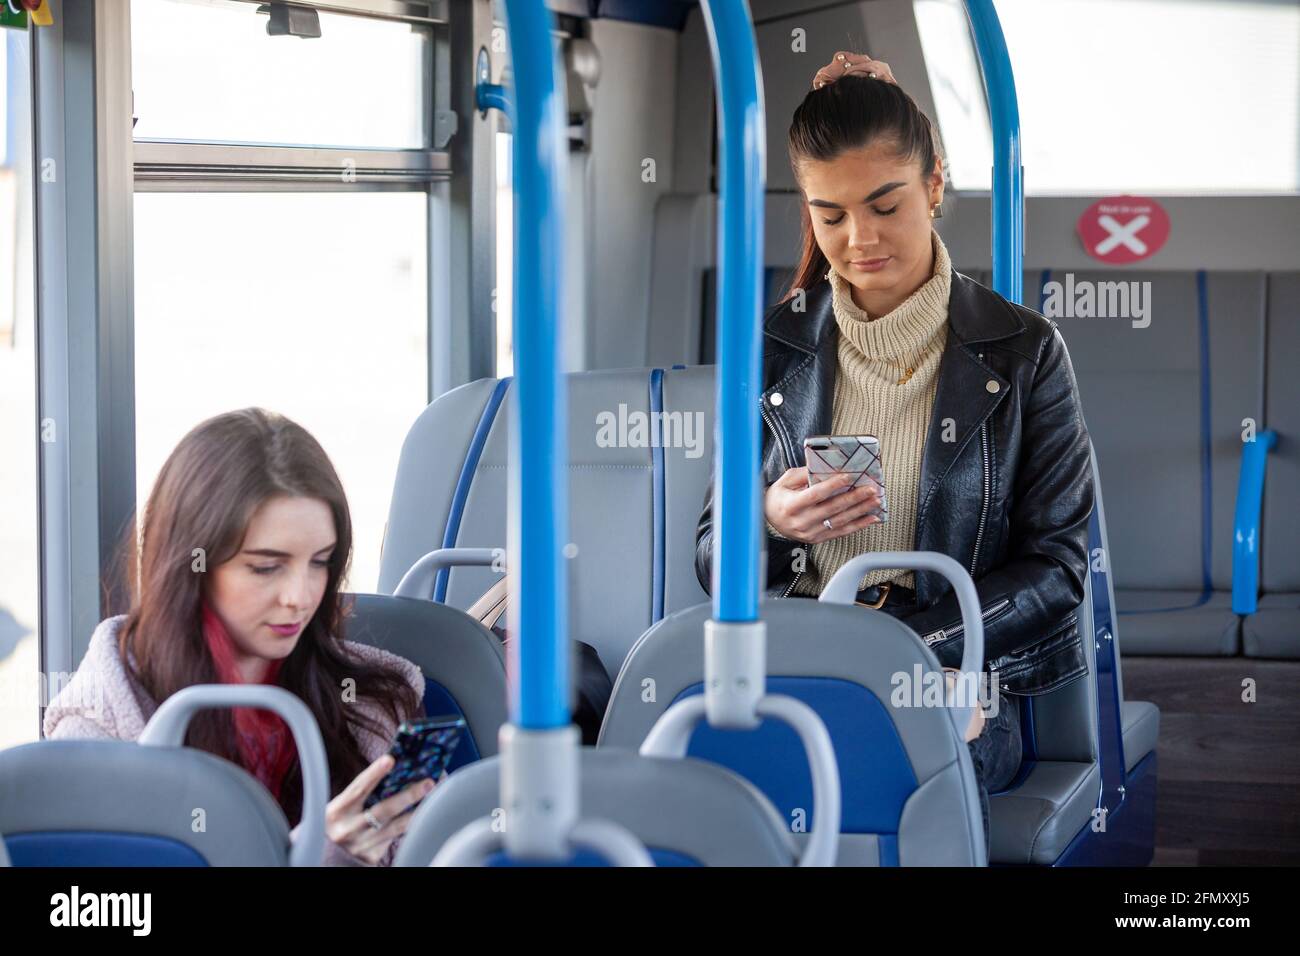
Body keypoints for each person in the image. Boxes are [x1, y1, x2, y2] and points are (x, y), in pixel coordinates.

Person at [694, 52, 1095, 853]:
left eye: (885, 205)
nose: (860, 239)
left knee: (856, 776)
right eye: (830, 215)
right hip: (796, 659)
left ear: (935, 185)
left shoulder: (1024, 354)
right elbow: (713, 557)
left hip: (946, 671)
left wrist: (913, 646)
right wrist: (771, 519)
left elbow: (1058, 569)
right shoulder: (770, 349)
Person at [45, 408, 429, 866]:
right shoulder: (96, 734)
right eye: (266, 567)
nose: (299, 596)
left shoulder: (373, 706)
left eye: (320, 561)